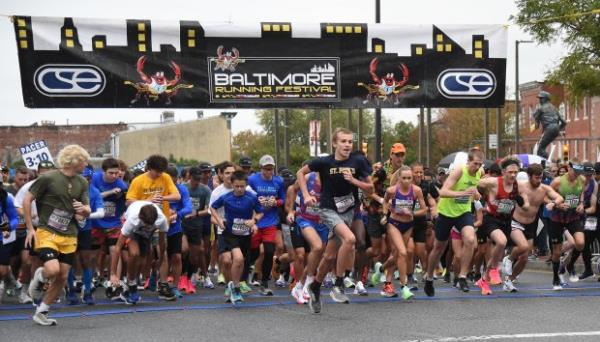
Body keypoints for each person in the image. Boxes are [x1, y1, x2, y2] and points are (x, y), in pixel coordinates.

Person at [297, 128, 373, 314]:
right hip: (328, 209)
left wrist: (354, 181)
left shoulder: (358, 161)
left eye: (350, 142)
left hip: (347, 210)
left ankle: (315, 286)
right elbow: (300, 173)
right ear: (334, 144)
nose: (347, 145)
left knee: (330, 255)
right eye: (343, 141)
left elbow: (370, 188)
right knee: (351, 240)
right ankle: (338, 284)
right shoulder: (324, 162)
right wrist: (306, 195)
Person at [24, 145, 91, 326]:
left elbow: (87, 209)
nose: (86, 164)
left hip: (69, 234)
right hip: (47, 231)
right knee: (52, 270)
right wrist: (31, 229)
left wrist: (83, 210)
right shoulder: (48, 177)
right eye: (84, 160)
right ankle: (40, 276)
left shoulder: (82, 182)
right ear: (74, 161)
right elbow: (27, 199)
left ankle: (42, 312)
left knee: (62, 276)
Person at [424, 149, 484, 297]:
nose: (476, 167)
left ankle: (462, 276)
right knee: (438, 248)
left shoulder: (479, 172)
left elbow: (473, 189)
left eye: (479, 164)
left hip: (463, 212)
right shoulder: (459, 171)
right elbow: (443, 192)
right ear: (468, 161)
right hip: (446, 212)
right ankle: (429, 277)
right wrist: (463, 193)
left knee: (470, 240)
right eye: (474, 163)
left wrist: (476, 193)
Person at [125, 154, 181, 300]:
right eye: (157, 171)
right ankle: (133, 281)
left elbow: (177, 196)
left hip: (160, 221)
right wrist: (147, 201)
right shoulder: (138, 181)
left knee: (163, 251)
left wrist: (163, 197)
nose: (159, 174)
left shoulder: (166, 178)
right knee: (141, 256)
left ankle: (163, 285)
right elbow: (129, 201)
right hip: (142, 222)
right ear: (149, 168)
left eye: (162, 171)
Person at [503, 164, 562, 292]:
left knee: (524, 257)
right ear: (529, 176)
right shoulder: (520, 185)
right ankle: (509, 258)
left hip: (531, 224)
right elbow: (505, 185)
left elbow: (559, 197)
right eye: (536, 177)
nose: (539, 180)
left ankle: (509, 280)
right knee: (523, 246)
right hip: (516, 222)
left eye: (540, 177)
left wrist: (553, 203)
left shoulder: (544, 188)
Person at [476, 157, 530, 295]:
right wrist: (484, 193)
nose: (513, 175)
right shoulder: (494, 182)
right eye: (510, 172)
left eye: (515, 172)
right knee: (501, 241)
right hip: (491, 219)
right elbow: (478, 183)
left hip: (506, 221)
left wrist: (521, 201)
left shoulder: (518, 185)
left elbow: (526, 206)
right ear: (503, 172)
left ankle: (486, 278)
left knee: (523, 247)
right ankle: (494, 269)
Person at [211, 170, 263, 305]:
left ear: (246, 185)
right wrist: (219, 220)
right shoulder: (226, 197)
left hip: (245, 234)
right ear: (232, 184)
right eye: (237, 186)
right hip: (230, 233)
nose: (240, 189)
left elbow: (260, 212)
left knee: (241, 262)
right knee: (237, 258)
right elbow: (212, 207)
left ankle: (233, 285)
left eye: (242, 186)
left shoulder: (251, 197)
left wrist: (254, 221)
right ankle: (236, 288)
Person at [380, 166, 427, 299]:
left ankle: (381, 270)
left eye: (409, 178)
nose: (407, 181)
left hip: (408, 225)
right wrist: (384, 215)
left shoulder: (417, 190)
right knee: (403, 252)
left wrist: (412, 212)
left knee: (396, 255)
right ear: (399, 178)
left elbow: (424, 210)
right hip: (394, 224)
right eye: (404, 178)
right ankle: (403, 287)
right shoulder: (392, 190)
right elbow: (385, 202)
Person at [110, 201, 169, 304]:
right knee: (134, 254)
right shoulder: (133, 219)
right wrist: (113, 274)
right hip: (134, 230)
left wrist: (161, 259)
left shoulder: (161, 220)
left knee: (141, 262)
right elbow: (118, 247)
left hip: (145, 235)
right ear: (141, 219)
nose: (147, 226)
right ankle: (132, 285)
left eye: (149, 225)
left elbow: (162, 242)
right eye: (145, 224)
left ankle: (131, 282)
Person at [247, 155, 286, 296]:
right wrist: (258, 200)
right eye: (266, 169)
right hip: (256, 221)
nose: (269, 172)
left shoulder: (279, 181)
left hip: (271, 221)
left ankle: (264, 283)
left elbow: (284, 199)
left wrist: (275, 202)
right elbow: (245, 195)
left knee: (269, 252)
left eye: (271, 169)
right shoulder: (252, 179)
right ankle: (246, 271)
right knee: (254, 252)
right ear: (261, 168)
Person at [66, 165, 104, 305]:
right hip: (69, 229)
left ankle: (87, 291)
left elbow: (101, 212)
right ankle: (70, 290)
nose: (85, 181)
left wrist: (86, 216)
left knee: (86, 261)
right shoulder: (68, 190)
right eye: (82, 178)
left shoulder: (94, 192)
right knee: (69, 261)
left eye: (88, 178)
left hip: (85, 230)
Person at [549, 161, 586, 290]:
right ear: (569, 169)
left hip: (573, 216)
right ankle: (555, 278)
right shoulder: (558, 181)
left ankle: (569, 265)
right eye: (575, 172)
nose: (577, 175)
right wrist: (557, 204)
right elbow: (547, 196)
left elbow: (581, 192)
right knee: (557, 252)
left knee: (580, 243)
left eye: (579, 173)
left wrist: (581, 203)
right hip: (557, 217)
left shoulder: (582, 179)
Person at [181, 166, 213, 291]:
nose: (197, 182)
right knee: (184, 249)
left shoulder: (205, 190)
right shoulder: (183, 188)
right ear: (189, 177)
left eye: (198, 179)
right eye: (195, 179)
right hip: (183, 224)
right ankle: (182, 276)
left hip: (196, 225)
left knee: (196, 254)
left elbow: (209, 209)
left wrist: (197, 214)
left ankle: (189, 276)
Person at [533, 91, 566, 159]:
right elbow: (564, 122)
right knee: (543, 147)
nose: (539, 100)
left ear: (546, 99)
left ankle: (545, 163)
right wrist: (557, 129)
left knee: (540, 149)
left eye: (541, 98)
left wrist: (535, 117)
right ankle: (546, 160)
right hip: (556, 128)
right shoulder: (554, 108)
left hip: (549, 129)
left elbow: (537, 126)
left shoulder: (540, 109)